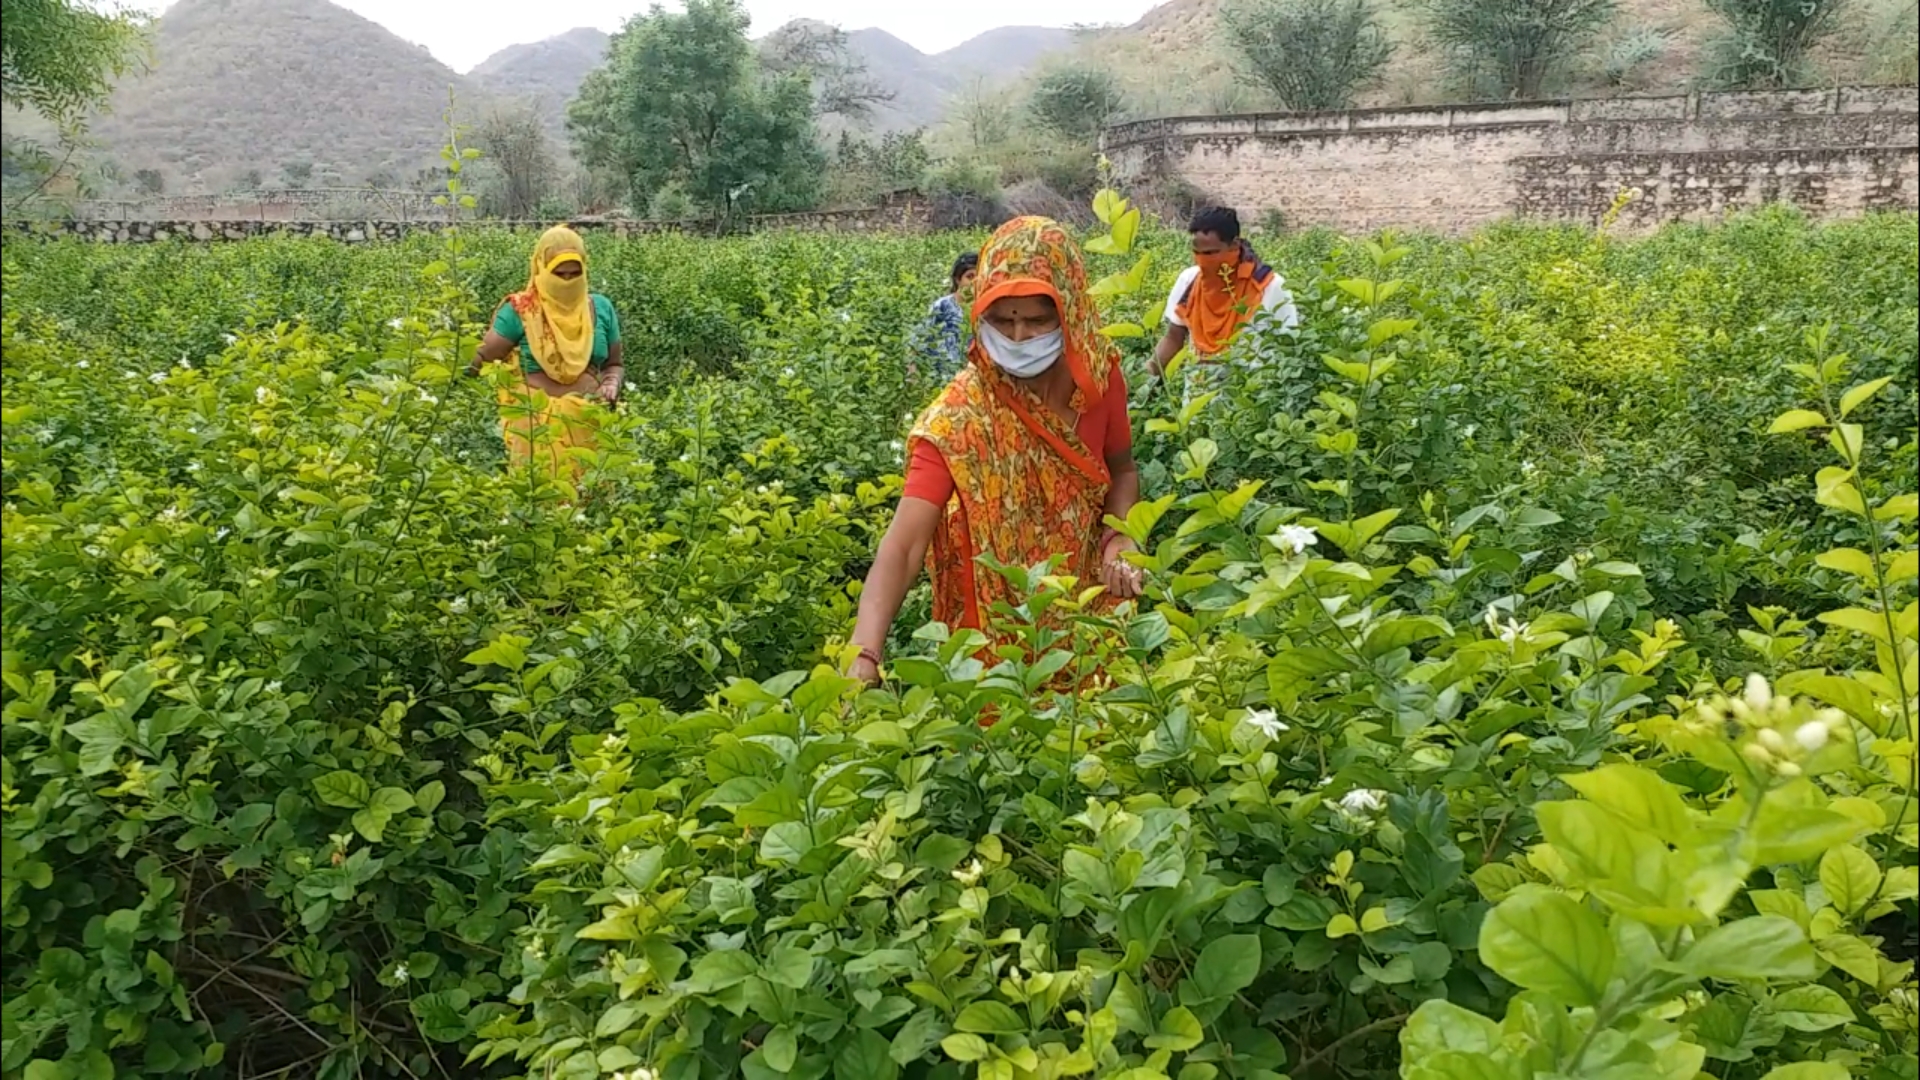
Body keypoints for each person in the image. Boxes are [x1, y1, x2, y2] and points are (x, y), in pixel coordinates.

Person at [850, 217, 1144, 685]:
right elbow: (904, 544)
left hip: (1087, 603)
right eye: (1003, 319)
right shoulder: (959, 418)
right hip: (996, 630)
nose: (1019, 337)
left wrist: (1122, 537)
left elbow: (1122, 471)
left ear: (1069, 308)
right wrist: (863, 654)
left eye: (1037, 320)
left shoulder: (1099, 379)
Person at [466, 225, 625, 486]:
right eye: (558, 273)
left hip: (589, 423)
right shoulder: (521, 311)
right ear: (541, 268)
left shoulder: (601, 308)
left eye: (575, 273)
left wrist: (611, 383)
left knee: (592, 505)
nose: (567, 280)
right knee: (541, 502)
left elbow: (615, 364)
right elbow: (481, 359)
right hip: (536, 430)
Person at [1149, 206, 1297, 406]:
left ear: (1234, 245)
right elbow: (1173, 338)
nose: (1204, 260)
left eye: (1211, 252)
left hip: (1251, 404)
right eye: (1198, 252)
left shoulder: (1269, 286)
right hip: (1197, 400)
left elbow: (1290, 349)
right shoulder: (1189, 281)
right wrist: (1145, 379)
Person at [912, 252, 978, 380]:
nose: (974, 282)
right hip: (939, 379)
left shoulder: (983, 309)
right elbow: (918, 341)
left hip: (969, 381)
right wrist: (913, 375)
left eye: (978, 277)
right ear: (958, 279)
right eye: (970, 277)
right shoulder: (942, 306)